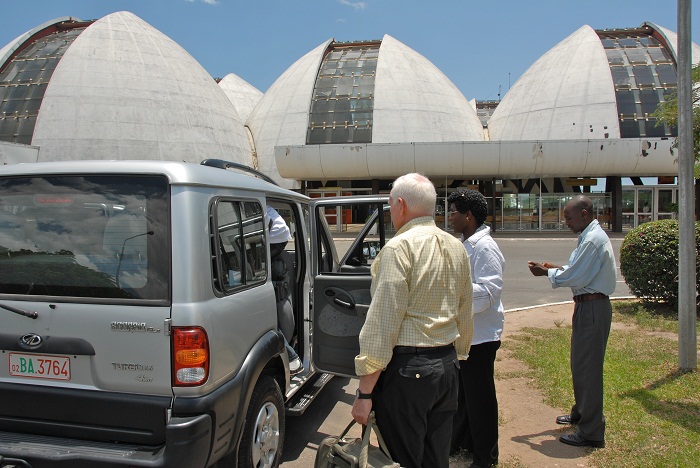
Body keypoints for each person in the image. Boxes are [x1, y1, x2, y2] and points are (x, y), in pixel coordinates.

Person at [351, 173, 473, 468]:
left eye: (390, 204)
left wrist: (364, 392)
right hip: (447, 365)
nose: (391, 211)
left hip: (408, 372)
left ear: (401, 205)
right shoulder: (457, 247)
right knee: (436, 457)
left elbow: (382, 325)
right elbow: (464, 310)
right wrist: (457, 357)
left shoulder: (398, 248)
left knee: (402, 459)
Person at [527, 195, 616, 449]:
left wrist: (547, 272)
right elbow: (579, 270)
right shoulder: (589, 237)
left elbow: (577, 274)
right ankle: (581, 413)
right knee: (580, 364)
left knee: (588, 368)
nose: (565, 222)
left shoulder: (592, 239)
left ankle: (592, 431)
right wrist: (557, 268)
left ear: (585, 214)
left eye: (568, 217)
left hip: (593, 307)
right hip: (587, 305)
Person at [447, 189, 505, 468]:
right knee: (465, 397)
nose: (449, 217)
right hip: (467, 334)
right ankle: (464, 444)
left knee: (480, 400)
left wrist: (453, 293)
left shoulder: (484, 247)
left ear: (468, 216)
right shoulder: (467, 243)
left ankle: (486, 458)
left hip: (481, 337)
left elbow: (489, 292)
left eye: (454, 212)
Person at [266, 205, 303, 375]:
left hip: (275, 238)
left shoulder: (253, 207)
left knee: (265, 324)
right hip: (280, 236)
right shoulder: (266, 207)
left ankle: (292, 357)